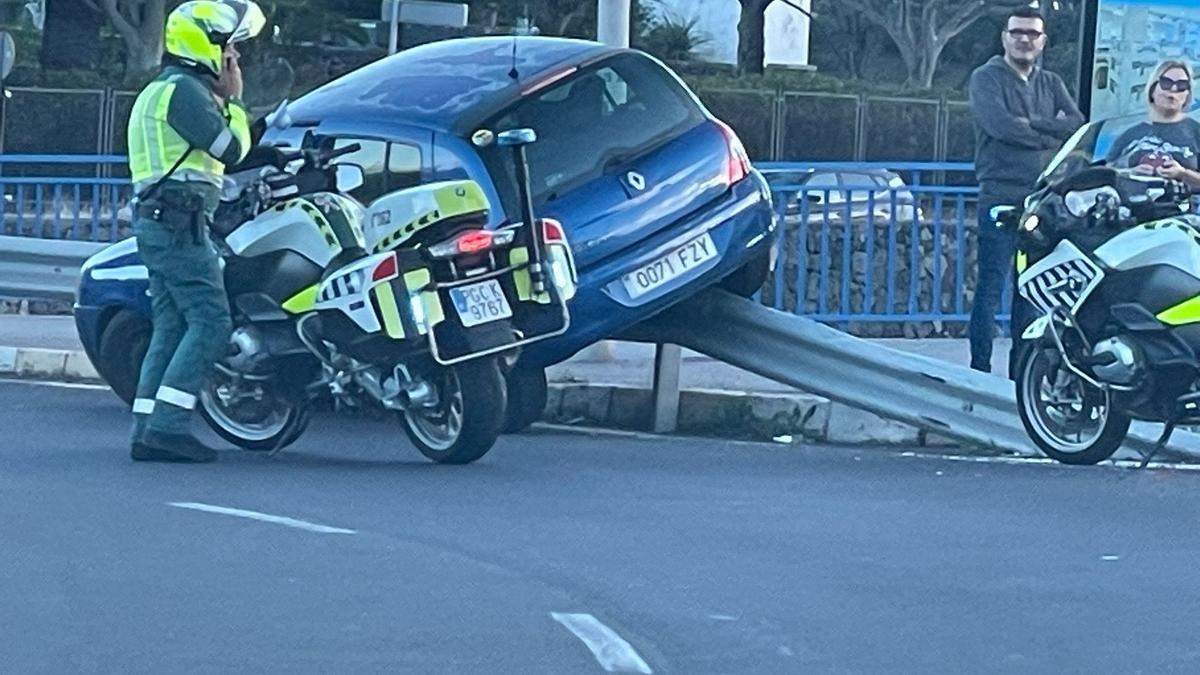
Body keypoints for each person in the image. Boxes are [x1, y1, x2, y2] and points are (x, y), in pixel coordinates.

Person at [126, 0, 265, 463]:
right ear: (205, 44)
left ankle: (146, 428)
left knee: (171, 325)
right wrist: (237, 99)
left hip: (160, 222)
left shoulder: (158, 91)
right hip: (180, 226)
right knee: (210, 322)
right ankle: (166, 429)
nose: (235, 59)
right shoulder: (186, 92)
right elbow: (231, 150)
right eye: (230, 48)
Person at [967, 6, 1084, 374]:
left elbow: (1077, 124)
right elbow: (1000, 126)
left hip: (1042, 199)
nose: (1024, 39)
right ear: (1005, 37)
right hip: (999, 195)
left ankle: (1021, 374)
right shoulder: (985, 78)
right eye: (1017, 32)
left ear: (1042, 40)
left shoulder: (1051, 82)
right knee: (990, 287)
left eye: (1032, 34)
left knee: (1030, 291)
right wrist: (1047, 133)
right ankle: (979, 371)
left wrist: (1030, 124)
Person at [1105, 60, 1200, 187]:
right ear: (1152, 89)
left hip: (1184, 204)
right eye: (1166, 82)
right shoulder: (1129, 134)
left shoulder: (1195, 132)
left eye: (1182, 85)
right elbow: (1104, 174)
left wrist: (1182, 174)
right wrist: (1129, 173)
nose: (1173, 89)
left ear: (1187, 95)